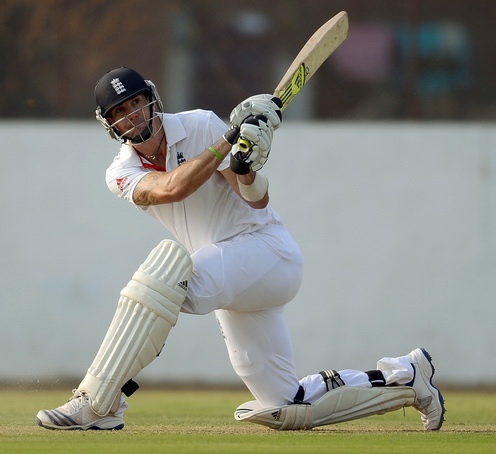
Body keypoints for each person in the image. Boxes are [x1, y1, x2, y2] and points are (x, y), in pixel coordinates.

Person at [35, 67, 445, 431]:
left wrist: (247, 168)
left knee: (164, 277)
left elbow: (257, 200)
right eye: (120, 112)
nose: (133, 116)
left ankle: (100, 401)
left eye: (137, 103)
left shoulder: (198, 125)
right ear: (109, 124)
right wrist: (226, 142)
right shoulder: (120, 172)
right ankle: (407, 378)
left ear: (152, 101)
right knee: (286, 405)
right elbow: (171, 188)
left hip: (265, 252)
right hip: (230, 277)